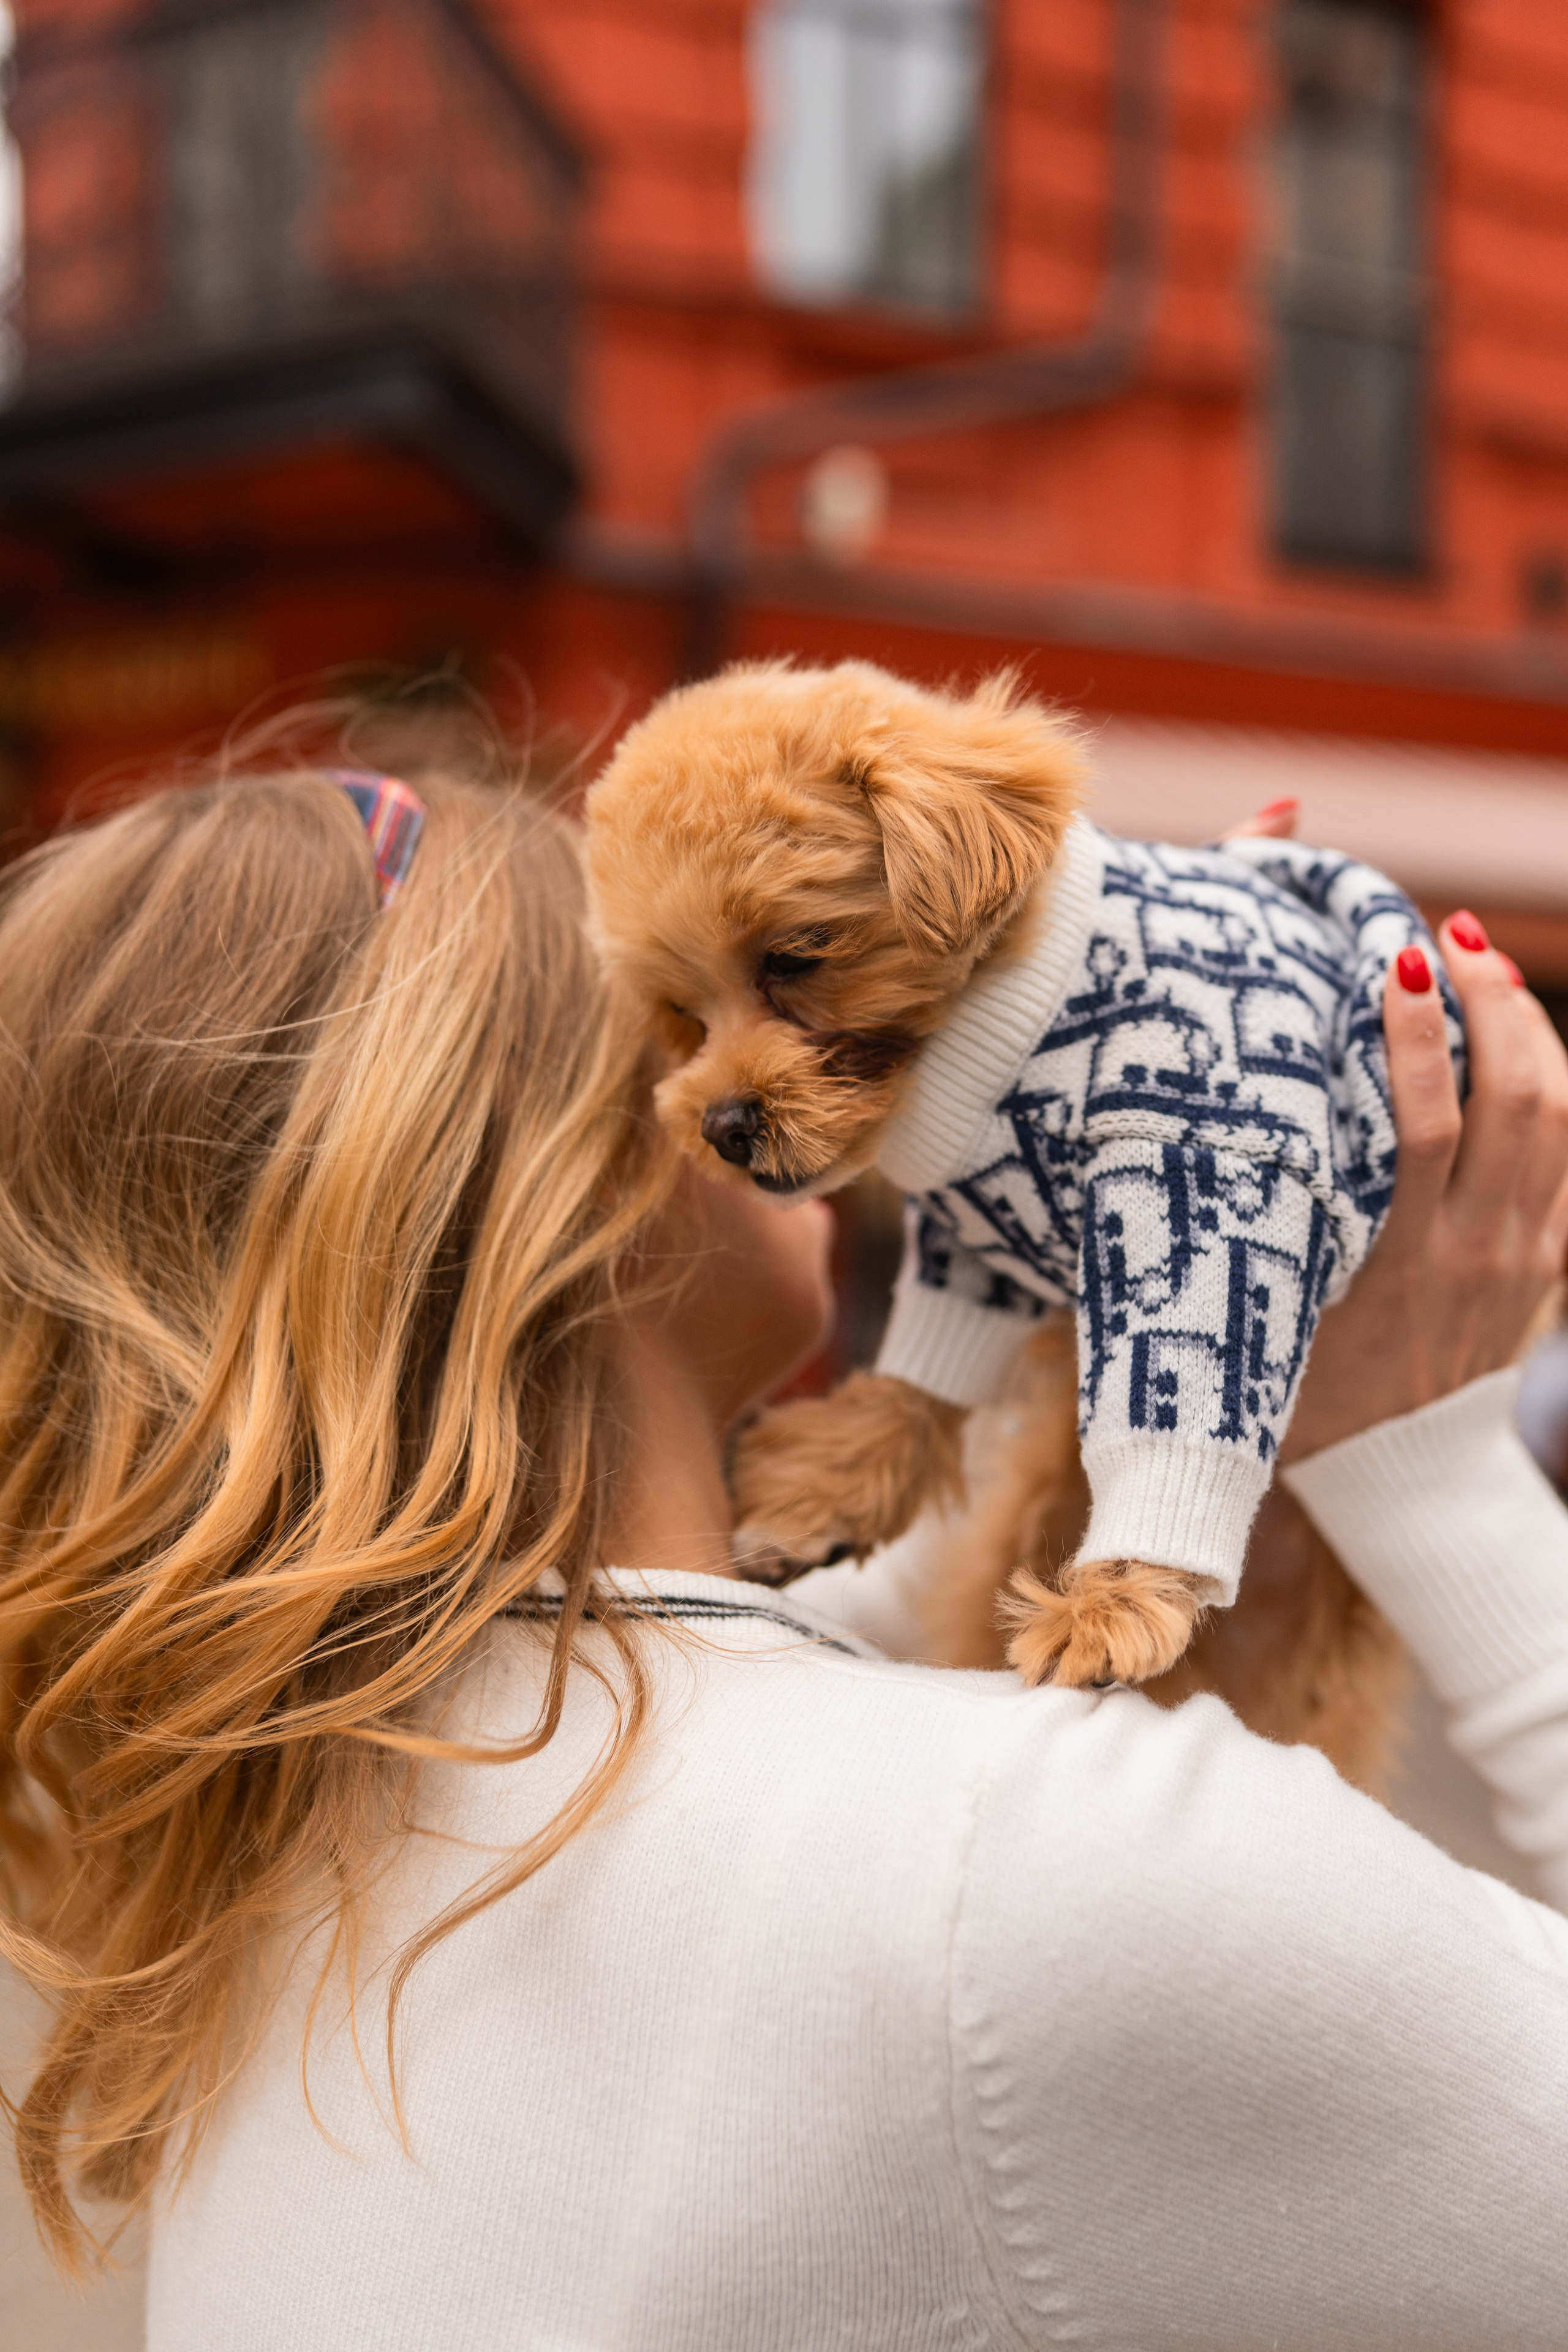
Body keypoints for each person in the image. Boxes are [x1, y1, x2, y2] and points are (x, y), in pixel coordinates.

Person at [3, 755, 1568, 2351]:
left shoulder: (291, 1822)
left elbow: (828, 1654)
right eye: (672, 1006)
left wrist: (1152, 1059)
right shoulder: (1003, 1864)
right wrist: (1431, 1468)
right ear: (591, 1161)